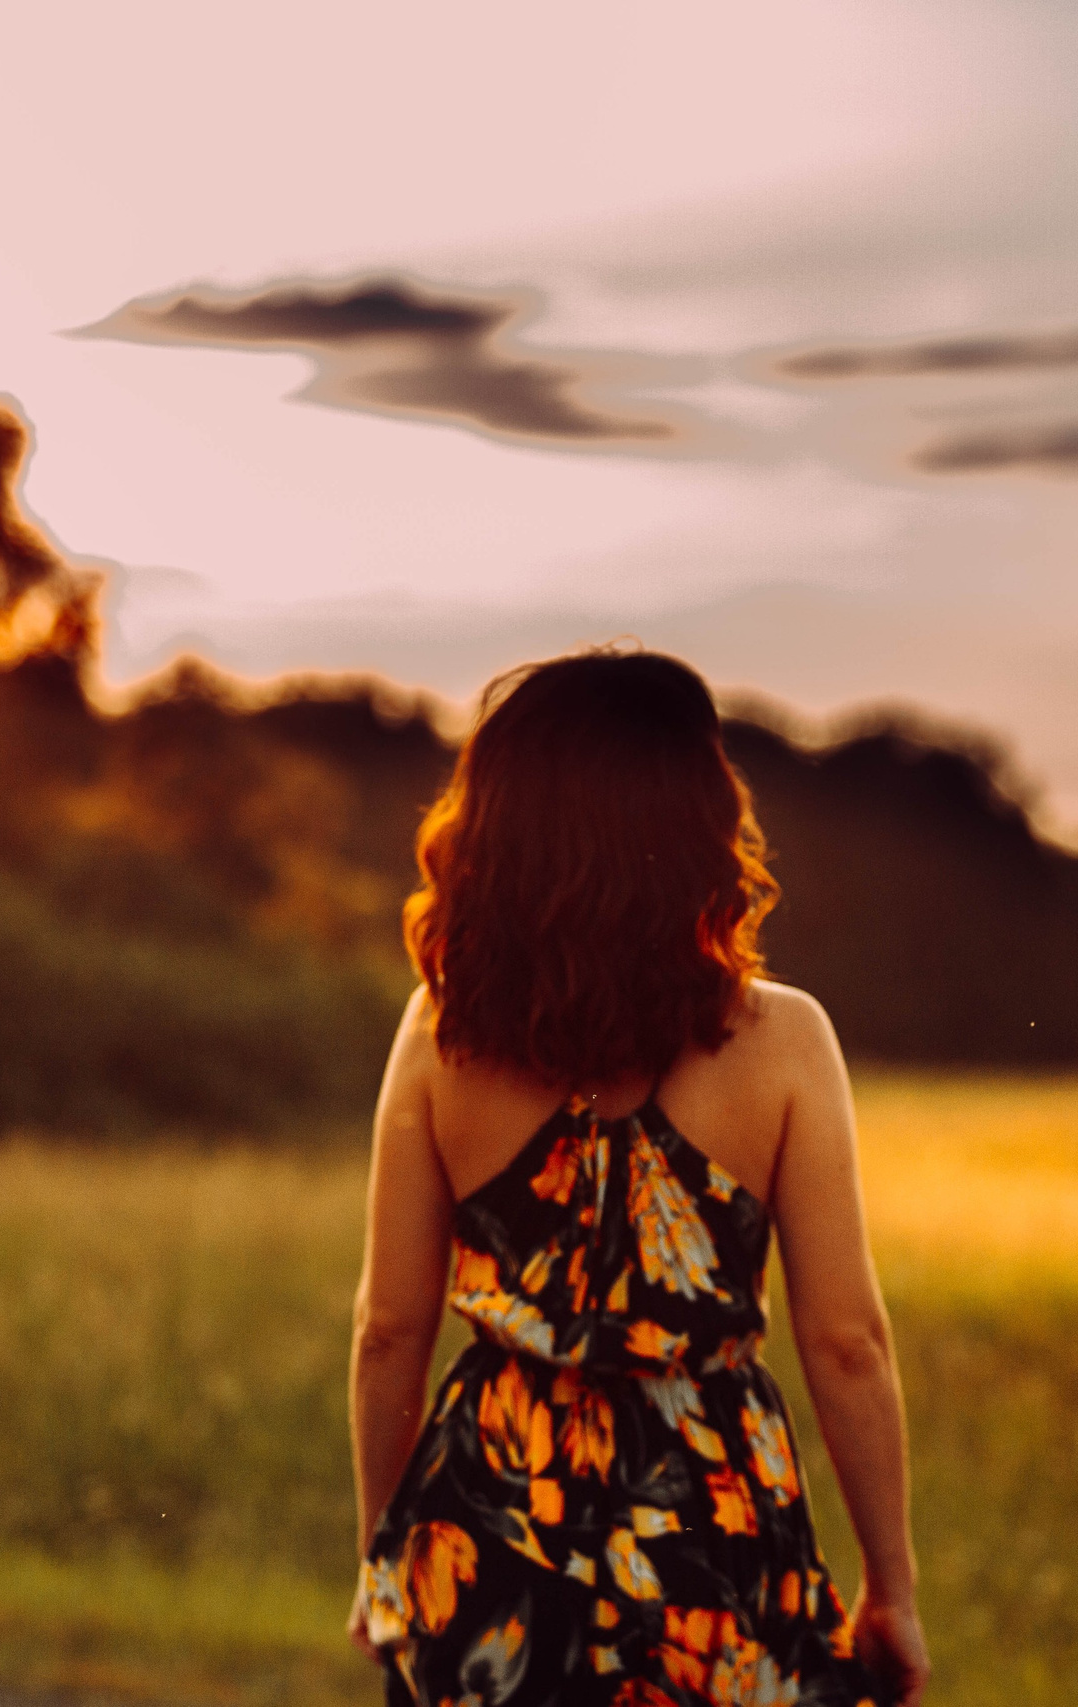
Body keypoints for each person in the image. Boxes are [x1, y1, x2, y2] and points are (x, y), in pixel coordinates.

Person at [345, 648, 929, 1706]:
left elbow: (389, 1325)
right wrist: (890, 1586)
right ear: (698, 825)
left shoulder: (441, 1032)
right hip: (711, 1535)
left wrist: (384, 1557)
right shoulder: (784, 1040)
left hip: (487, 1526)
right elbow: (846, 1344)